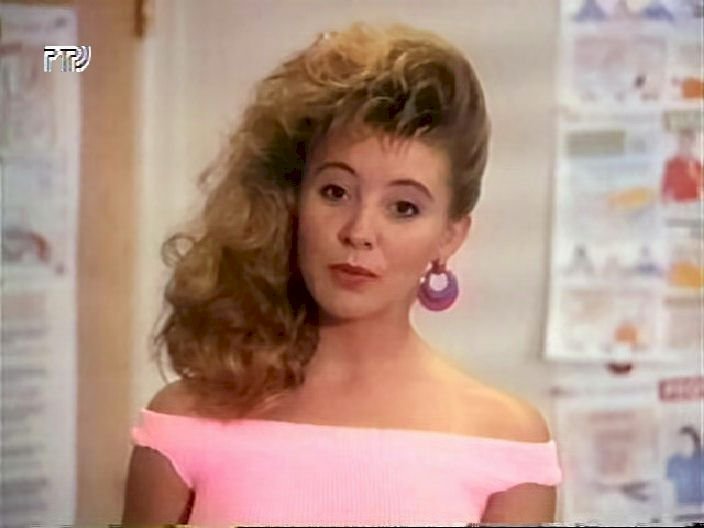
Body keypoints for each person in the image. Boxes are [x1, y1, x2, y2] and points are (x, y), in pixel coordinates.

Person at [121, 22, 562, 526]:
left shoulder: (506, 446)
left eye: (403, 207)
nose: (359, 231)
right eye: (335, 192)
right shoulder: (183, 424)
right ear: (292, 204)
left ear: (449, 236)